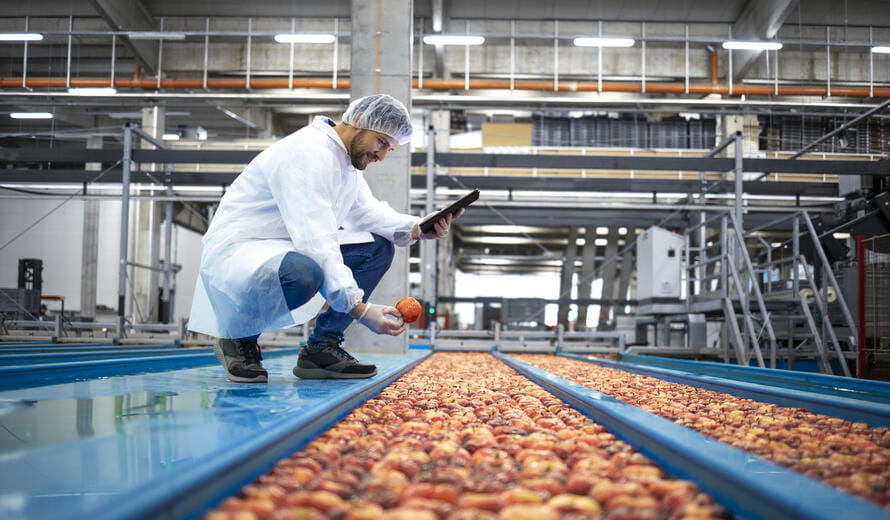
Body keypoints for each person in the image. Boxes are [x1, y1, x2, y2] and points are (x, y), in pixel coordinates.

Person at [188, 94, 460, 383]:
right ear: (359, 121)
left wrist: (418, 227)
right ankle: (237, 335)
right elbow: (315, 239)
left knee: (378, 248)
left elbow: (365, 213)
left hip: (288, 247)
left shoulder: (343, 161)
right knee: (304, 273)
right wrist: (360, 309)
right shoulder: (308, 153)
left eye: (389, 149)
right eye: (381, 143)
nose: (381, 155)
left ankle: (321, 348)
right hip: (244, 251)